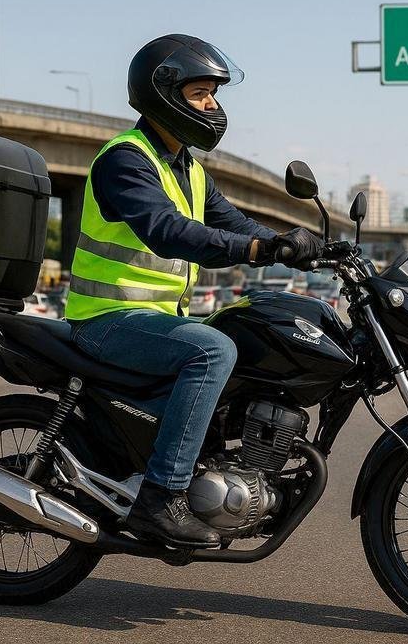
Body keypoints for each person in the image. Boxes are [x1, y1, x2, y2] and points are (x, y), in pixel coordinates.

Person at [63, 34, 322, 549]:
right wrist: (256, 251)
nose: (213, 106)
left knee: (247, 335)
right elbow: (166, 230)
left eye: (214, 94)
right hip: (107, 319)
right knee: (212, 350)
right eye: (200, 93)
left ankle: (210, 467)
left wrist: (301, 244)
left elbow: (233, 221)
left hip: (153, 319)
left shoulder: (187, 169)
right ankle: (161, 497)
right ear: (163, 92)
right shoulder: (126, 159)